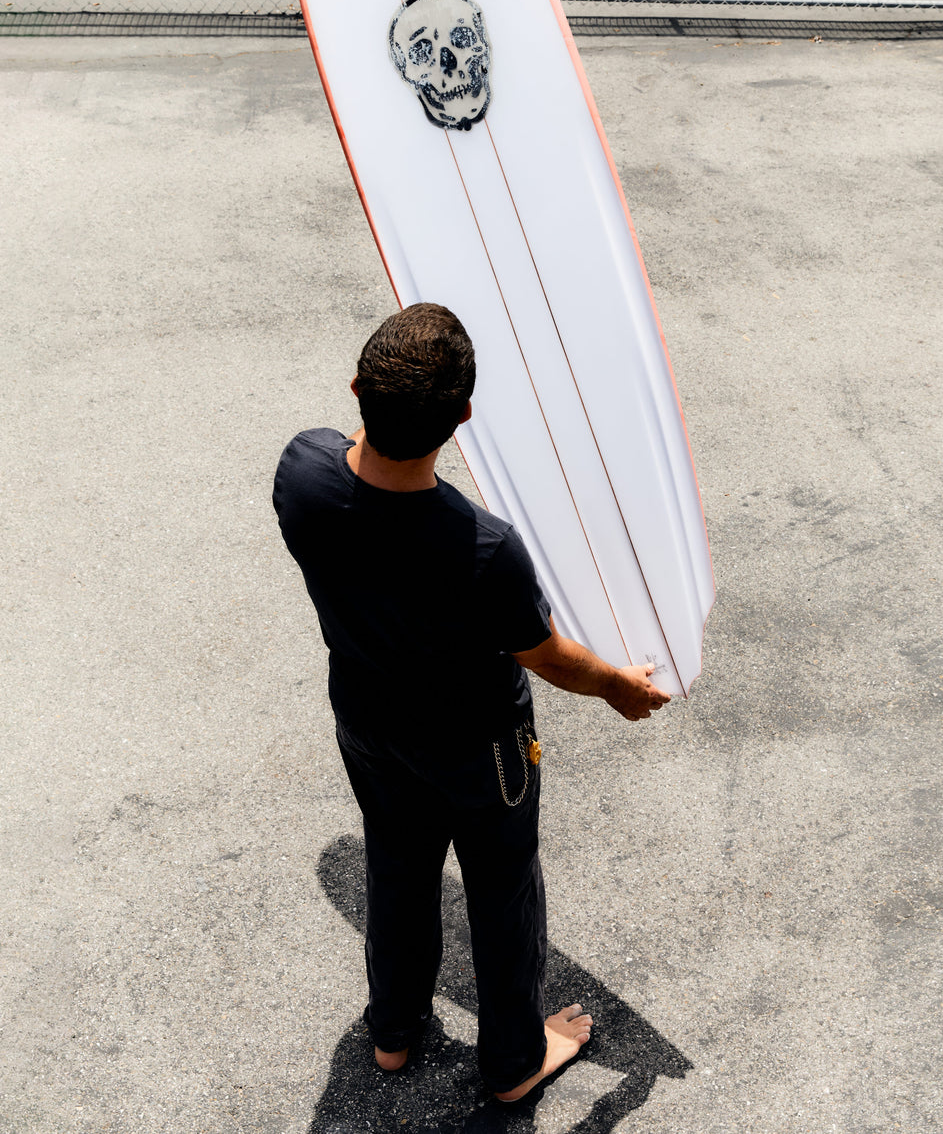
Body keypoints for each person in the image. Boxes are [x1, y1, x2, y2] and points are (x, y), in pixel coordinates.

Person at [273, 302, 670, 1102]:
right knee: (500, 891)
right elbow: (547, 655)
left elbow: (348, 466)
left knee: (397, 866)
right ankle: (516, 1063)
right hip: (477, 749)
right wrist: (618, 687)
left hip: (367, 722)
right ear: (462, 419)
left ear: (355, 387)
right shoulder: (484, 548)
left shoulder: (302, 472)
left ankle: (394, 1035)